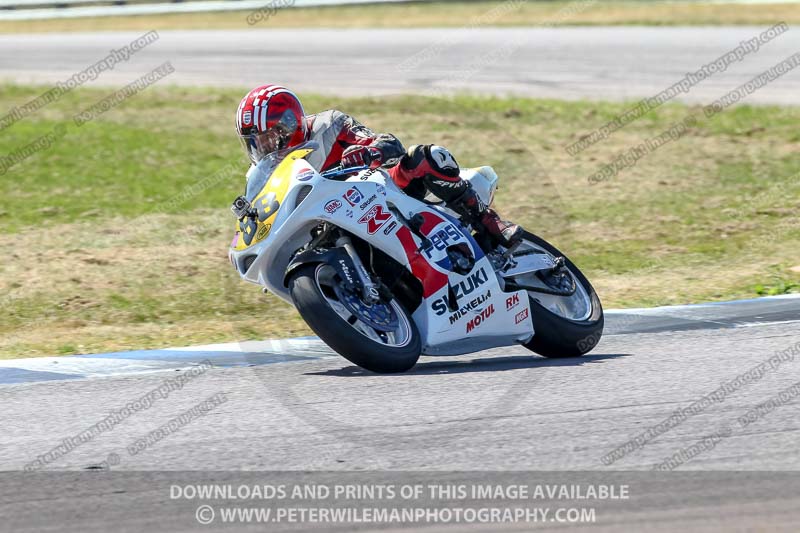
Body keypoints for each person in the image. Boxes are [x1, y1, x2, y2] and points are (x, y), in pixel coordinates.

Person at [235, 84, 521, 247]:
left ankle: (488, 220)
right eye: (255, 142)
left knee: (425, 155)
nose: (264, 148)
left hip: (379, 194)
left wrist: (368, 152)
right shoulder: (261, 174)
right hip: (328, 223)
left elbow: (387, 143)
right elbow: (260, 211)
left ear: (289, 125)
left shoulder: (328, 125)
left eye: (269, 138)